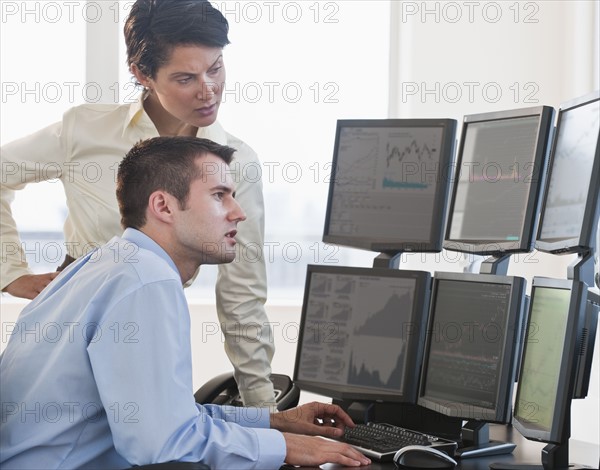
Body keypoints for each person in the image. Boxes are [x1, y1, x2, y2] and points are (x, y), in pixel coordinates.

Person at [0, 137, 371, 469]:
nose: (238, 212)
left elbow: (160, 418)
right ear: (163, 205)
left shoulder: (108, 264)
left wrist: (274, 422)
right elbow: (161, 444)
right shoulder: (147, 280)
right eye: (219, 195)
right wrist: (283, 447)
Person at [0, 0, 276, 406]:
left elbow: (242, 296)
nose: (208, 90)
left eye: (215, 67)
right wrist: (11, 273)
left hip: (151, 331)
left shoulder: (236, 161)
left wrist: (264, 409)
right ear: (142, 73)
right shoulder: (86, 130)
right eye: (185, 77)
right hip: (65, 332)